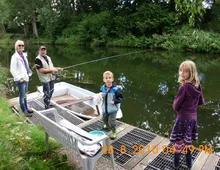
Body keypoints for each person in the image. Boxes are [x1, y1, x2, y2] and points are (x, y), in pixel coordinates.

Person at [170, 60, 205, 169]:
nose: (182, 73)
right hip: (193, 119)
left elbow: (176, 106)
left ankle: (176, 166)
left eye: (186, 71)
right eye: (181, 70)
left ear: (191, 73)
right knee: (188, 143)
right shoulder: (197, 86)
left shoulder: (184, 87)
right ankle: (189, 166)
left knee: (178, 143)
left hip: (182, 119)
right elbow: (201, 101)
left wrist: (178, 106)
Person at [10, 40, 33, 117]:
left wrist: (29, 72)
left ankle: (26, 108)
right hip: (20, 80)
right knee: (22, 96)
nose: (21, 47)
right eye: (19, 45)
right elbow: (12, 70)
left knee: (25, 95)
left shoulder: (24, 55)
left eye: (22, 45)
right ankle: (24, 111)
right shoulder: (14, 57)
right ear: (16, 46)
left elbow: (26, 66)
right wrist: (19, 78)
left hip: (26, 78)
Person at [100, 71, 123, 139]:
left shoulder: (115, 90)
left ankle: (113, 131)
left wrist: (115, 101)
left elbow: (120, 98)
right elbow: (101, 94)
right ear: (104, 79)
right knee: (104, 119)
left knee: (112, 122)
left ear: (112, 79)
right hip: (105, 108)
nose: (108, 79)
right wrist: (99, 96)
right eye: (106, 78)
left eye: (109, 78)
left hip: (113, 109)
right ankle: (106, 125)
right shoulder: (102, 88)